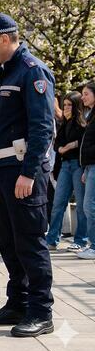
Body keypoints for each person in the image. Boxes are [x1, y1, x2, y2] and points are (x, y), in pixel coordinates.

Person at [0, 13, 56, 337]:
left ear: (4, 39)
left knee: (29, 243)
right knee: (9, 243)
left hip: (24, 172)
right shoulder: (6, 73)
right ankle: (17, 303)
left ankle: (40, 311)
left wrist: (29, 173)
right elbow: (2, 129)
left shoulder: (33, 72)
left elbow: (42, 128)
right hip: (5, 169)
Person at [46, 92, 87, 250]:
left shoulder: (83, 123)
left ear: (77, 106)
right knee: (58, 203)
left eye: (70, 105)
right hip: (65, 165)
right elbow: (57, 145)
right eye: (65, 105)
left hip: (78, 165)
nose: (66, 108)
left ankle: (81, 240)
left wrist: (70, 146)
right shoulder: (64, 123)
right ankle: (52, 239)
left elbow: (83, 141)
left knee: (82, 205)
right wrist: (65, 147)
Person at [77, 81, 95, 259]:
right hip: (89, 166)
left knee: (89, 206)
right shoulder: (90, 115)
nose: (83, 97)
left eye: (86, 94)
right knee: (87, 206)